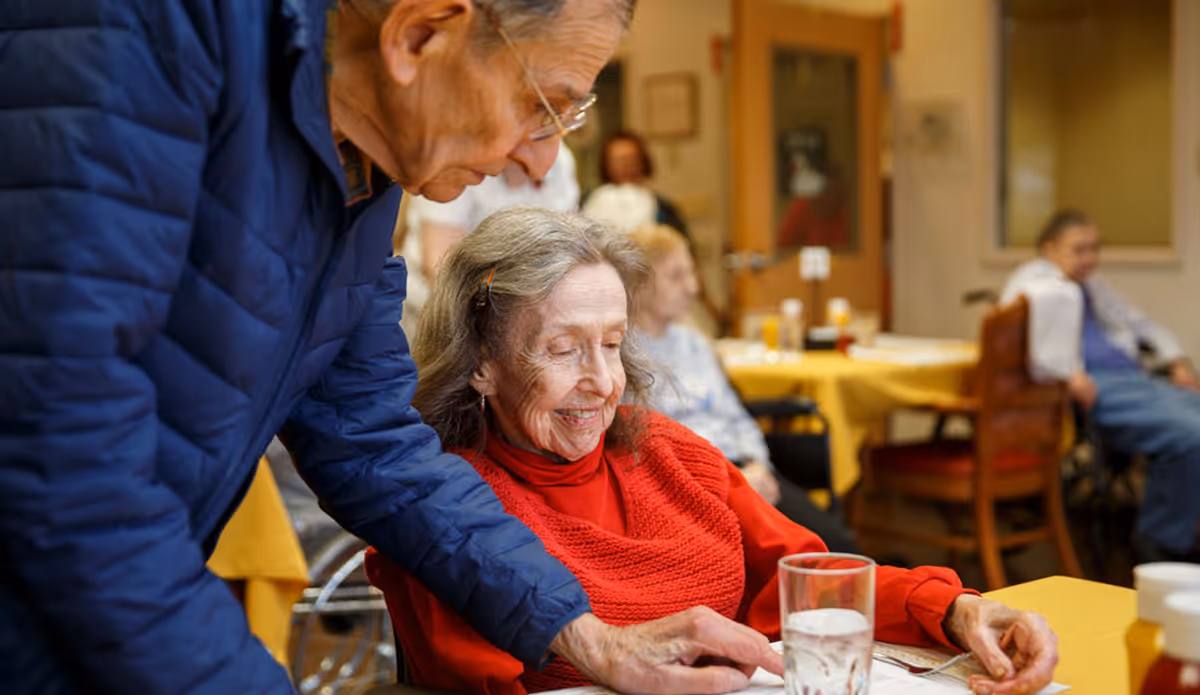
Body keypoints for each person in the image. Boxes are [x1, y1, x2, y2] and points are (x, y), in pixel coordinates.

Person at [0, 1, 782, 693]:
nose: (540, 162)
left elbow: (372, 441)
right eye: (541, 106)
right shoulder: (134, 30)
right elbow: (63, 463)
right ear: (418, 34)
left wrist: (586, 634)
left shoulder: (368, 170)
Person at [367, 208, 1061, 695]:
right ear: (481, 363)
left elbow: (809, 581)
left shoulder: (665, 449)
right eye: (562, 349)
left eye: (612, 344)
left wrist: (956, 610)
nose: (603, 380)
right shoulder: (447, 513)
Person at [627, 223, 860, 553]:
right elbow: (645, 448)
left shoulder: (694, 344)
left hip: (743, 470)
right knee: (783, 556)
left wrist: (757, 464)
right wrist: (724, 480)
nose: (693, 288)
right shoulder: (622, 355)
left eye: (692, 274)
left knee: (833, 546)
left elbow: (736, 415)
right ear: (640, 283)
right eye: (677, 276)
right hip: (690, 485)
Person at [1001, 209, 1200, 563]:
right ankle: (1162, 542)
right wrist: (1069, 374)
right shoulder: (1034, 285)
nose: (1089, 258)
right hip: (1098, 386)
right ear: (1049, 248)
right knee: (1190, 434)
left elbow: (1140, 323)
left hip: (1137, 377)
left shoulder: (1091, 286)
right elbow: (1022, 345)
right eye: (1079, 249)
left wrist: (1177, 361)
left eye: (1094, 249)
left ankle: (1184, 524)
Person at [401, 141, 580, 335]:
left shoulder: (560, 160)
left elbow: (566, 246)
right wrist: (491, 320)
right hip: (436, 305)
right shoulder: (456, 156)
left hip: (515, 310)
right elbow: (439, 262)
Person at [582, 130, 688, 236]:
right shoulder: (588, 202)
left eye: (631, 159)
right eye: (618, 160)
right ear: (606, 164)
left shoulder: (662, 208)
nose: (625, 166)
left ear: (643, 162)